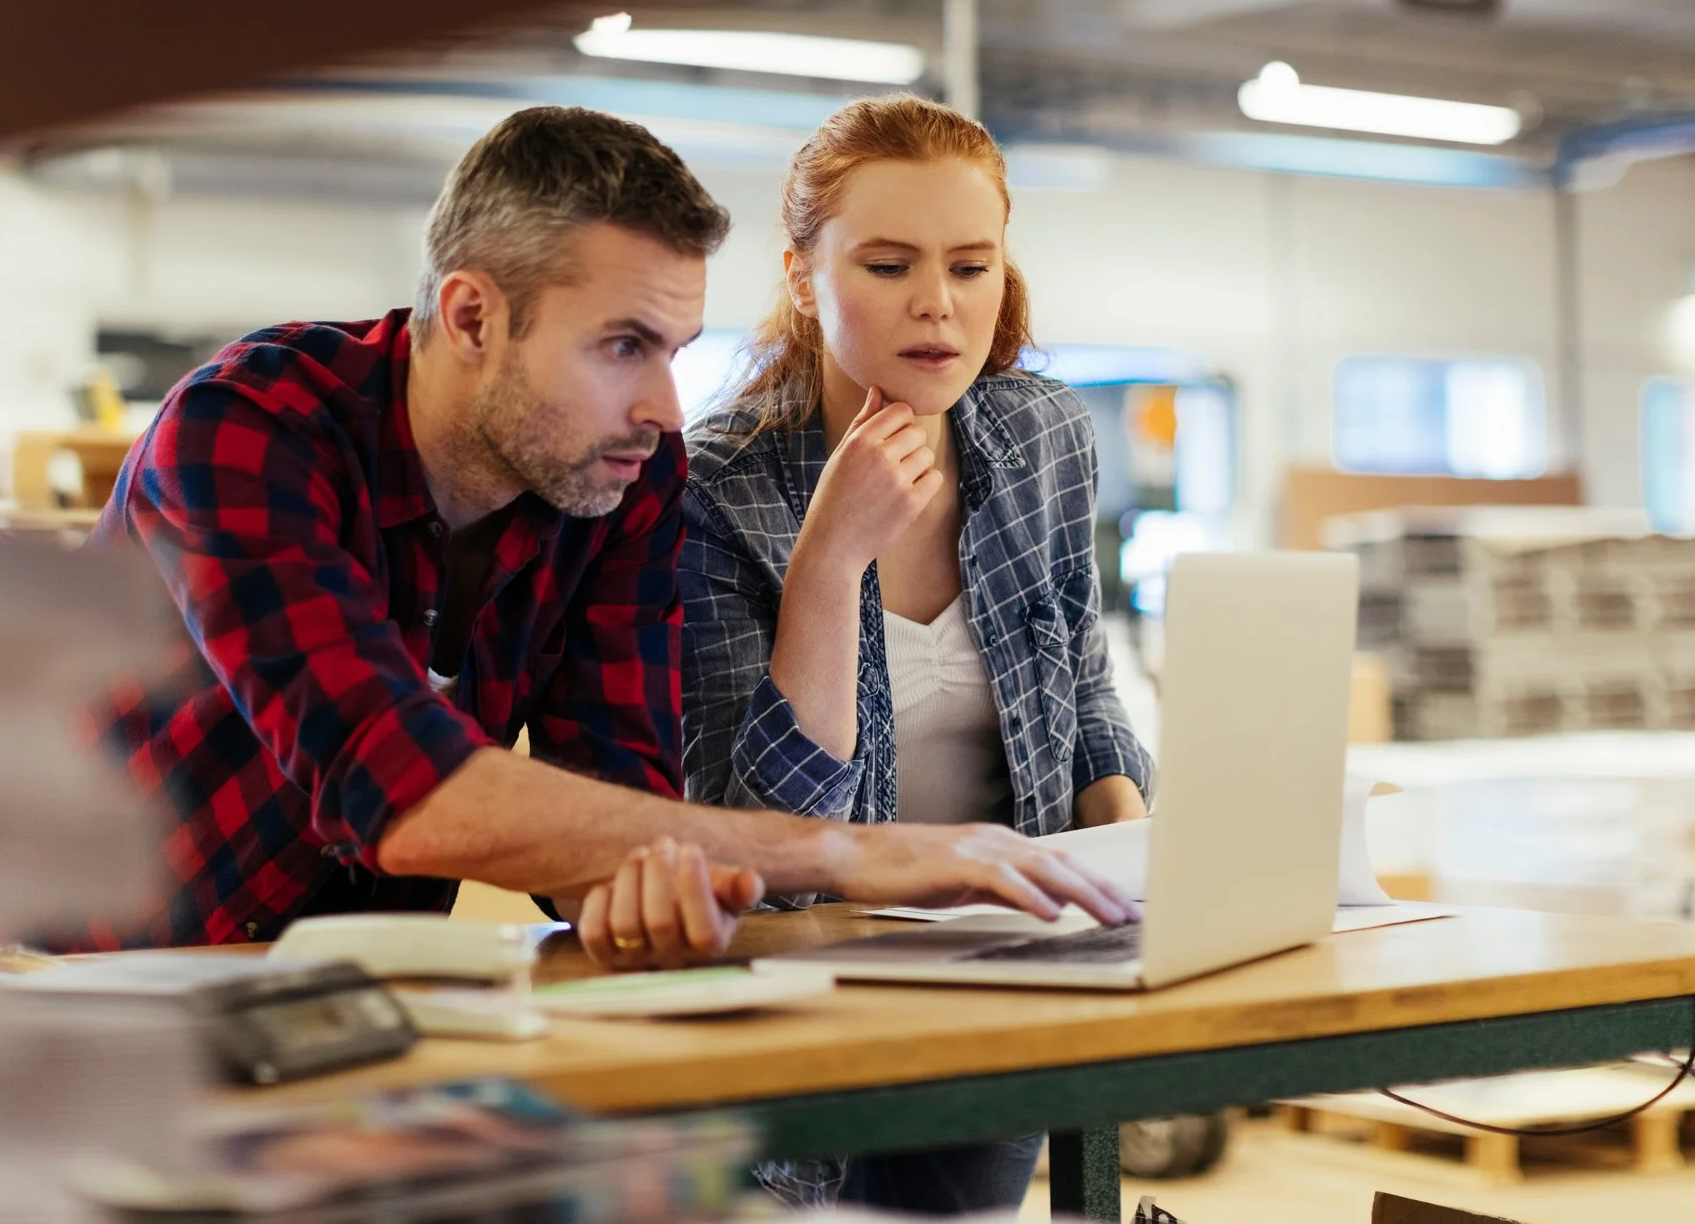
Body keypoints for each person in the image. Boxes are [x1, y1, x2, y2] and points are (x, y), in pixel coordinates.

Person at [56, 105, 1128, 963]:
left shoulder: (618, 478)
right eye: (623, 345)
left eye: (675, 347)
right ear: (473, 317)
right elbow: (401, 788)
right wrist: (847, 849)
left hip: (345, 998)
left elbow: (613, 820)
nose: (667, 404)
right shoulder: (247, 429)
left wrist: (642, 883)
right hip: (79, 988)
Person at [677, 94, 1155, 1212]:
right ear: (802, 274)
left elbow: (1080, 686)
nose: (938, 306)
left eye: (971, 265)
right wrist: (830, 559)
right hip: (798, 992)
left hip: (1001, 972)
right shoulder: (713, 487)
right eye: (887, 264)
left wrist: (1139, 868)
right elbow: (759, 828)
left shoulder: (1041, 433)